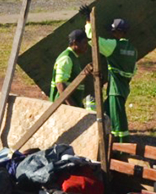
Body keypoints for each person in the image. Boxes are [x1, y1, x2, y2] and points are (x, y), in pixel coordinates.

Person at [83, 10, 138, 141]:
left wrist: (88, 21)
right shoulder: (133, 50)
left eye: (113, 32)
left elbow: (93, 40)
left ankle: (122, 145)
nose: (112, 34)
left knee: (118, 119)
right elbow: (134, 71)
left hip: (115, 90)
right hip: (124, 89)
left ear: (119, 32)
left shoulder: (114, 46)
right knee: (107, 112)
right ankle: (109, 140)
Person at [50, 28, 94, 108]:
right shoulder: (66, 58)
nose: (86, 46)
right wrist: (73, 107)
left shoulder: (74, 57)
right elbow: (60, 84)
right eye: (84, 43)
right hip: (63, 108)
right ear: (75, 43)